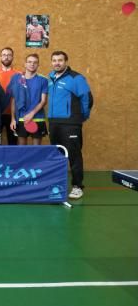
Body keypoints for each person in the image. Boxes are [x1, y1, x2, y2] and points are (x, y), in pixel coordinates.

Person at [48, 51, 93, 200]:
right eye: (54, 60)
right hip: (54, 123)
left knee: (74, 155)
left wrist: (81, 117)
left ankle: (77, 186)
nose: (57, 63)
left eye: (60, 60)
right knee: (58, 155)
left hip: (71, 123)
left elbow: (87, 98)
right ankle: (58, 185)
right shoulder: (51, 77)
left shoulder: (76, 78)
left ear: (66, 61)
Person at [9, 54, 48, 145]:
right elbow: (14, 99)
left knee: (36, 150)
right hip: (21, 119)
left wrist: (32, 113)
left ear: (38, 65)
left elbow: (43, 101)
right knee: (22, 151)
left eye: (35, 62)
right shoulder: (16, 79)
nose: (32, 64)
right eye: (29, 62)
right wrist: (13, 119)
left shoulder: (43, 80)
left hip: (38, 119)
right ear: (25, 64)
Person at [0, 47, 21, 145]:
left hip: (13, 115)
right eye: (4, 55)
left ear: (12, 57)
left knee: (13, 143)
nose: (6, 57)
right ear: (0, 57)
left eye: (9, 55)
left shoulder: (19, 74)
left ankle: (13, 160)